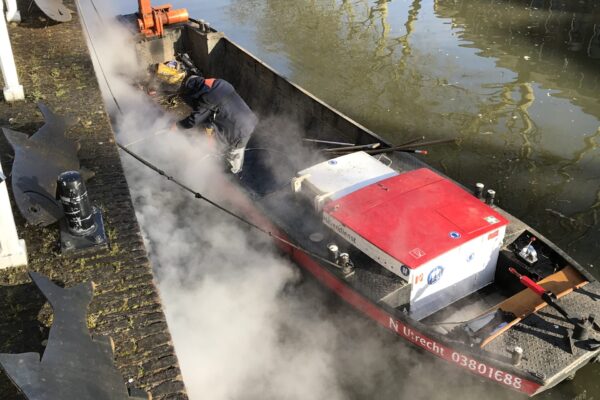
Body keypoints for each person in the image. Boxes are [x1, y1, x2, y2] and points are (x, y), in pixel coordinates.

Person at [176, 75, 258, 174]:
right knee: (219, 146)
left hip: (239, 129)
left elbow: (194, 120)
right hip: (248, 119)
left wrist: (177, 126)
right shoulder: (221, 83)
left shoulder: (208, 98)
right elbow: (210, 117)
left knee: (231, 159)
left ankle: (232, 176)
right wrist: (209, 134)